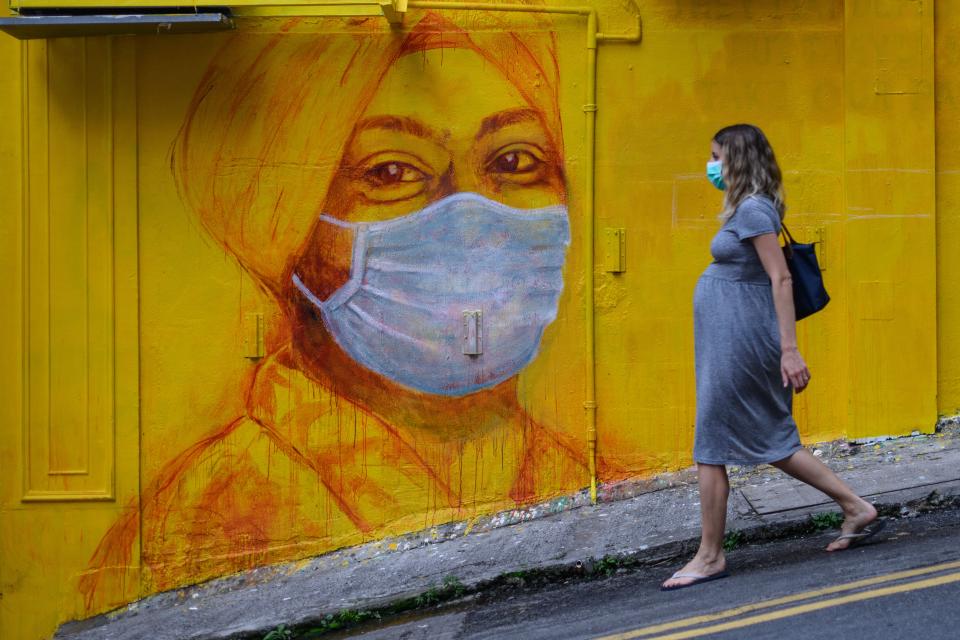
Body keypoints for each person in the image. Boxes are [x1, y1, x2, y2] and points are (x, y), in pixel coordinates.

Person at [77, 10, 636, 614]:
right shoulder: (207, 520)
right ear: (287, 228)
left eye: (515, 162)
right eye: (392, 171)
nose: (473, 213)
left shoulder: (572, 474)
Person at [661, 124, 883, 591]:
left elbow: (780, 280)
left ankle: (710, 556)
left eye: (716, 156)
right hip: (731, 339)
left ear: (738, 158)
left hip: (744, 342)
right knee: (769, 438)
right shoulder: (749, 208)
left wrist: (789, 350)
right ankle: (856, 507)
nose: (712, 166)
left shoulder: (755, 209)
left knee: (712, 444)